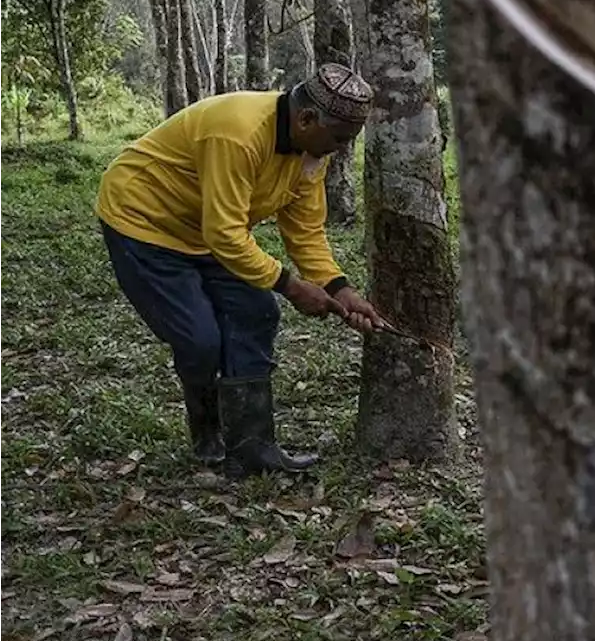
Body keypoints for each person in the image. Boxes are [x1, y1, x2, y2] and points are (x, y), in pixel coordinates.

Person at [95, 63, 388, 477]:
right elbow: (226, 233)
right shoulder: (239, 132)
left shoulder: (310, 150)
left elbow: (304, 229)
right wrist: (289, 285)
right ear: (306, 118)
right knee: (199, 340)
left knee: (256, 312)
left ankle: (253, 448)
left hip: (211, 232)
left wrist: (338, 287)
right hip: (145, 223)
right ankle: (207, 431)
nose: (340, 149)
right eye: (339, 138)